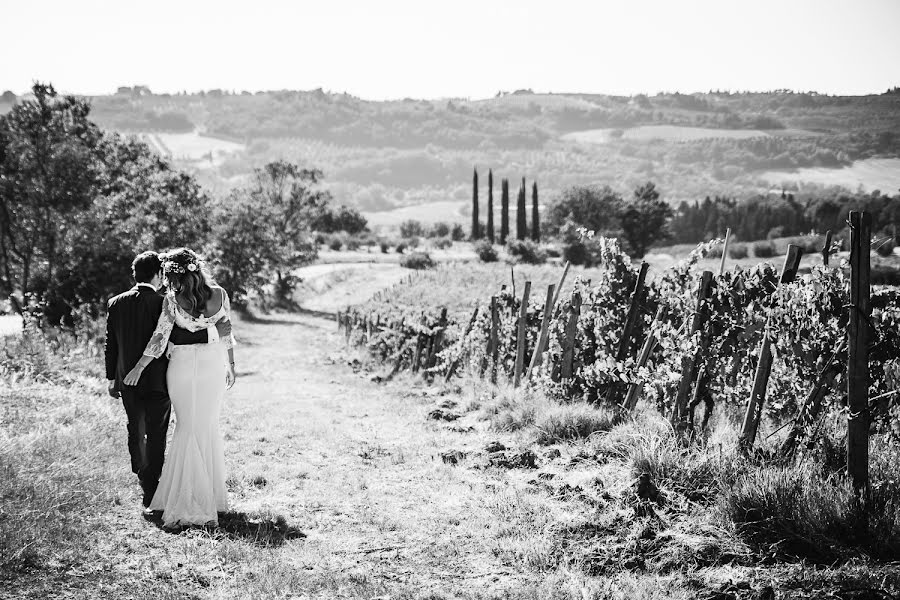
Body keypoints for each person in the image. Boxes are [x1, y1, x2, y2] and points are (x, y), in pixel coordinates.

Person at [105, 251, 231, 508]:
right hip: (189, 371)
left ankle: (161, 482)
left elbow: (144, 341)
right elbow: (223, 330)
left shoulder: (155, 301)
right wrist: (230, 362)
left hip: (158, 372)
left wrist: (127, 371)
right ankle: (181, 487)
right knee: (183, 428)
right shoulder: (204, 295)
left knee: (160, 427)